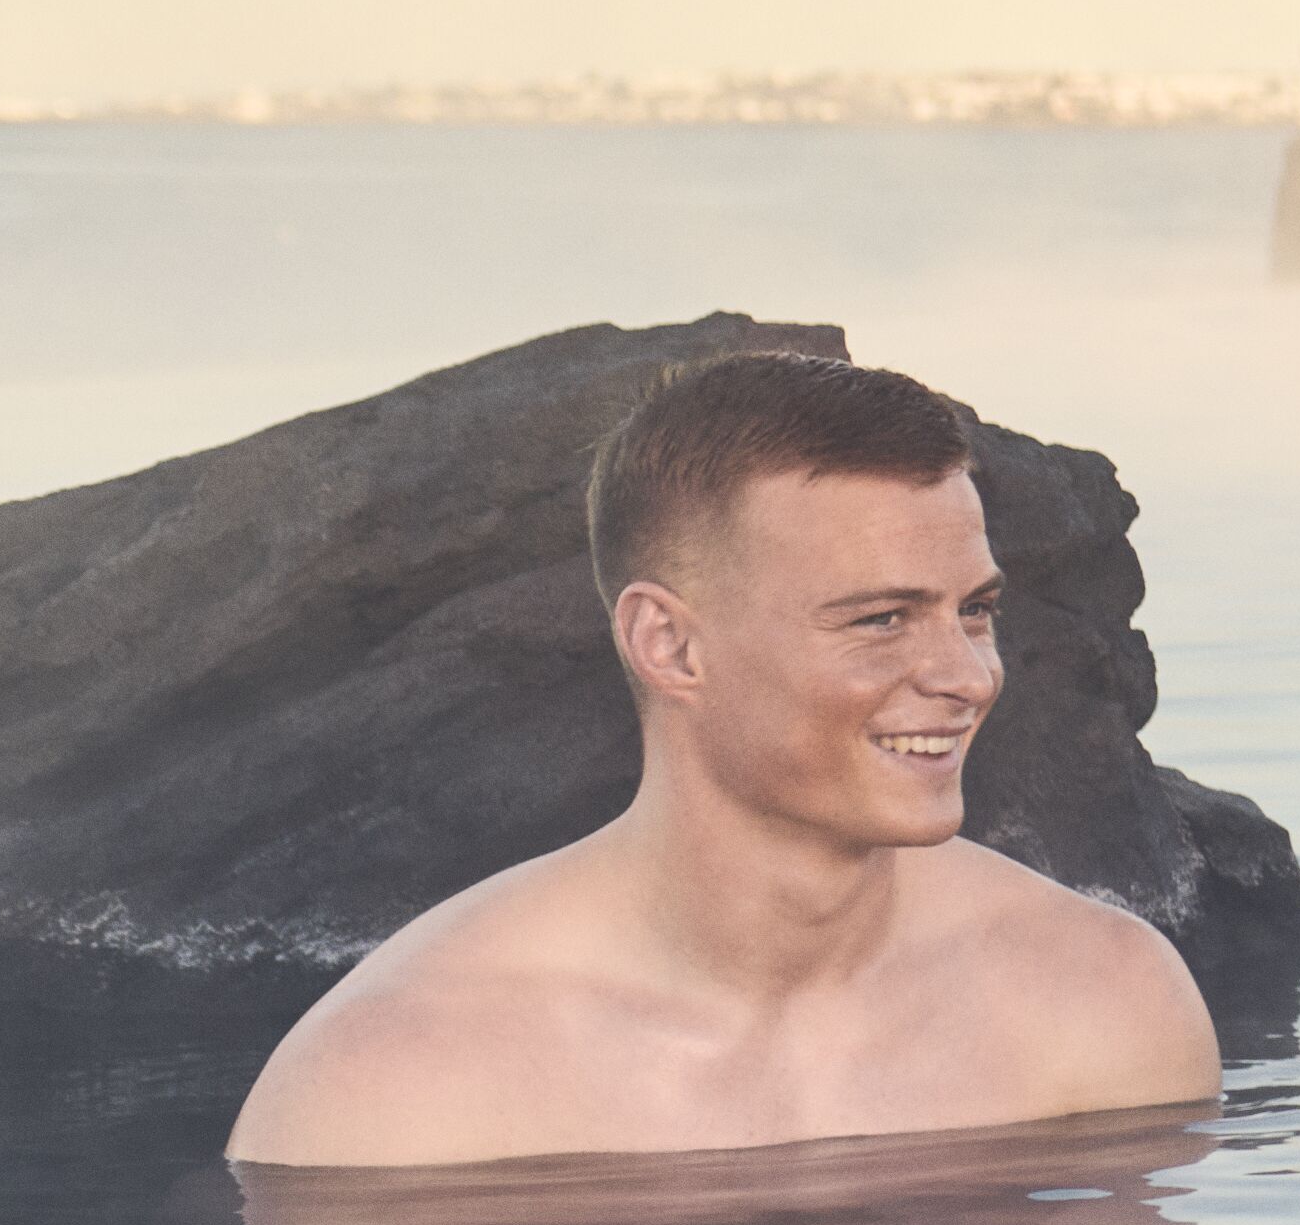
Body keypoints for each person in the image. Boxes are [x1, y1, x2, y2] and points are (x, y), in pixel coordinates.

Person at [227, 352, 1234, 1172]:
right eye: (882, 618)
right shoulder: (392, 1091)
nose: (967, 675)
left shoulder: (1105, 1006)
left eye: (973, 610)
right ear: (670, 645)